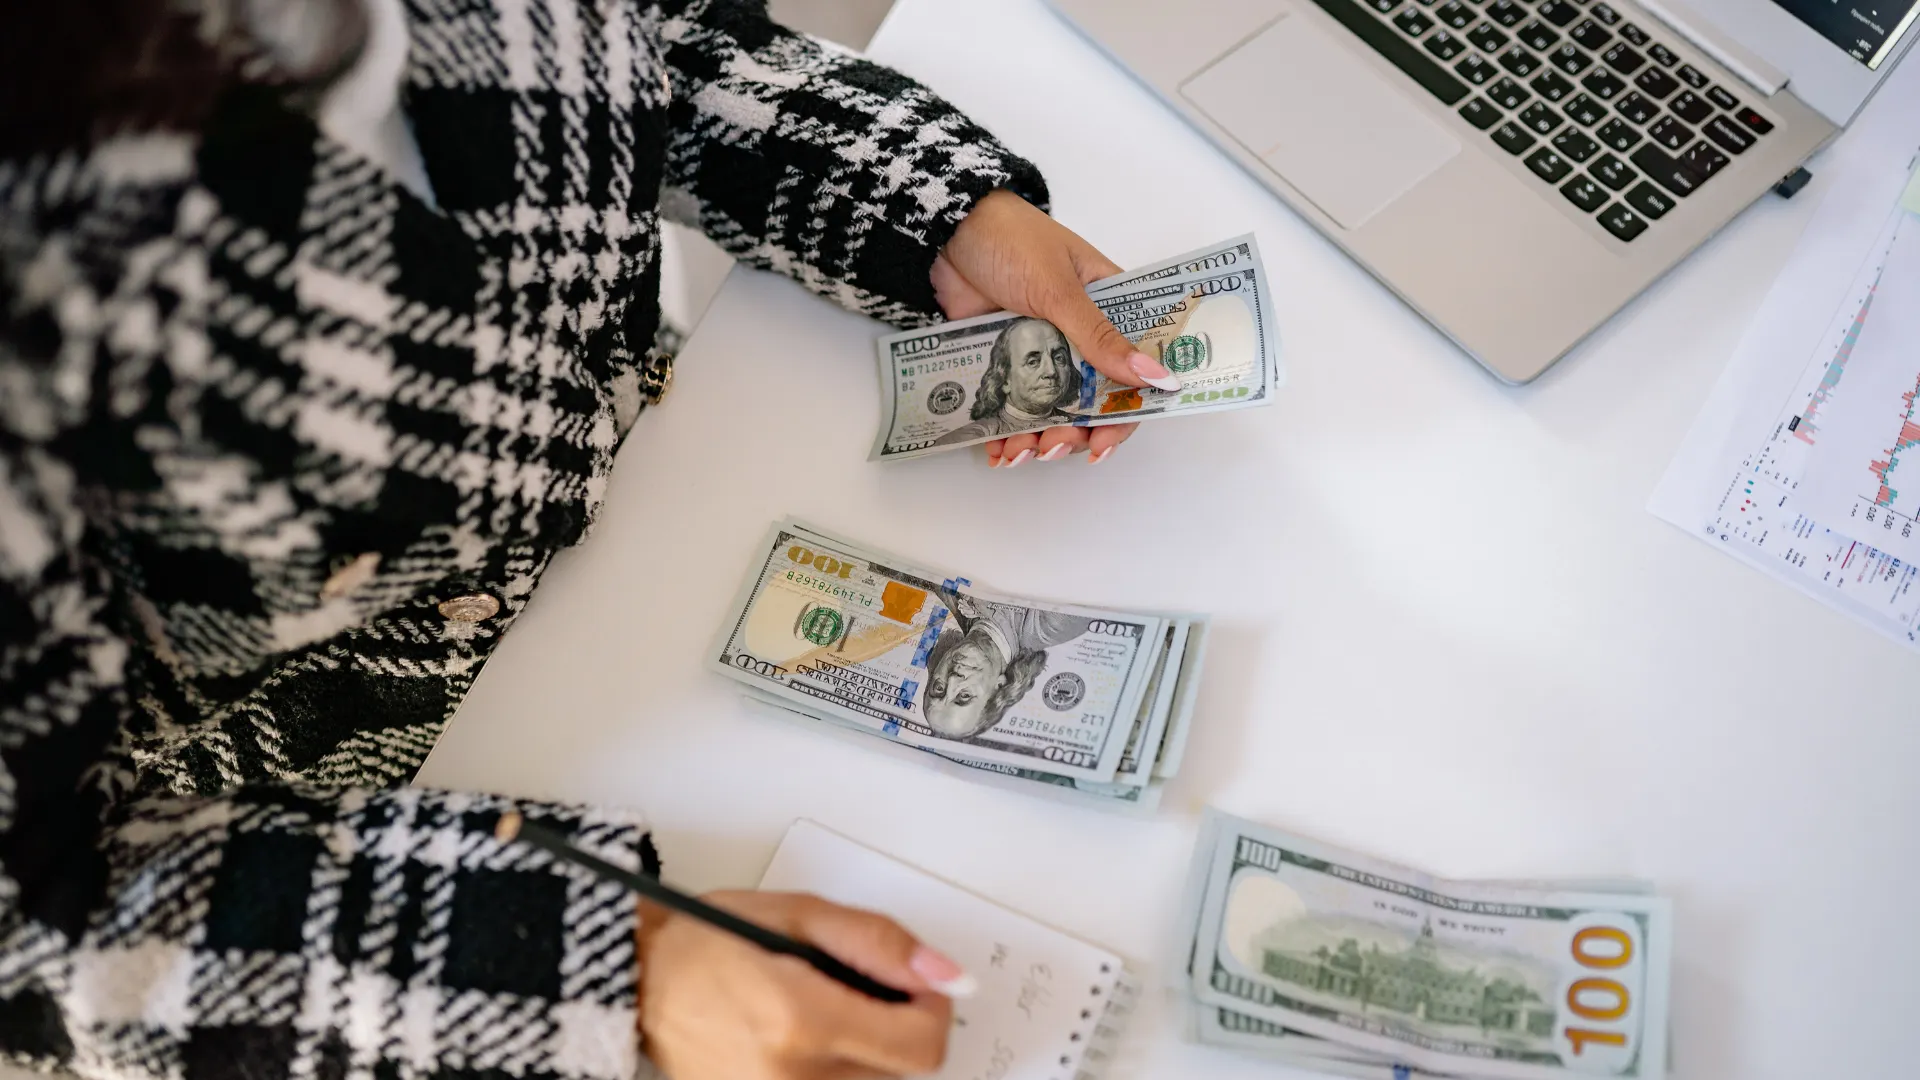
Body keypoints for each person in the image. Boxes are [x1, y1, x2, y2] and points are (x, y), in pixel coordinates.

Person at [0, 2, 1189, 1080]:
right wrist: (613, 976)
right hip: (350, 805)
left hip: (679, 465)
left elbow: (659, 40)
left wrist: (930, 211)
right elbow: (30, 931)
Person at [921, 595, 1094, 740]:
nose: (952, 680)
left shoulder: (948, 596)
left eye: (938, 688)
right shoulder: (1051, 627)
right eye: (964, 695)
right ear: (1000, 687)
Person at [932, 317, 1081, 446]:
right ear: (1005, 380)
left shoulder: (1085, 424)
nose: (1051, 371)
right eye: (1033, 362)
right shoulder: (969, 437)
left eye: (1059, 358)